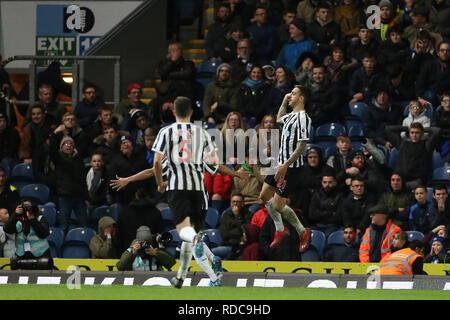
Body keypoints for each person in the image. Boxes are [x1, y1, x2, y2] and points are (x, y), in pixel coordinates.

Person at [152, 96, 223, 288]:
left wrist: (160, 183)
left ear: (174, 112)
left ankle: (196, 240)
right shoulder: (202, 132)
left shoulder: (166, 132)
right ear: (191, 112)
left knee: (185, 233)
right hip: (199, 191)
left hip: (178, 189)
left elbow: (157, 162)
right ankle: (181, 277)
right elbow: (214, 161)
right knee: (189, 239)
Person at [258, 86, 311, 253]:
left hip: (290, 168)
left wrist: (286, 165)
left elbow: (302, 146)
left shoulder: (303, 118)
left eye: (294, 94)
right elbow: (279, 117)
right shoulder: (290, 116)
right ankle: (280, 229)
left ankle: (303, 231)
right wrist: (283, 99)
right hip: (279, 164)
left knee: (278, 205)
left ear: (301, 98)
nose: (290, 96)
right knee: (264, 196)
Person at [49, 135, 88, 233]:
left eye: (71, 144)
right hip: (64, 197)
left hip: (79, 197)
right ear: (61, 147)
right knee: (63, 225)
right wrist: (54, 134)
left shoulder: (79, 160)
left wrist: (87, 198)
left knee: (84, 224)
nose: (69, 145)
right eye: (65, 143)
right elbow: (52, 151)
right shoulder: (59, 159)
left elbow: (83, 180)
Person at [385, 122, 441, 190]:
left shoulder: (426, 145)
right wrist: (407, 128)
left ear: (422, 134)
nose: (414, 135)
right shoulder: (402, 144)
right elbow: (388, 129)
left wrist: (424, 129)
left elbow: (437, 131)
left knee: (406, 187)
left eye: (417, 132)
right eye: (412, 132)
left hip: (416, 180)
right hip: (401, 179)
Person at [4, 199, 52, 270]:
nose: (27, 209)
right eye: (25, 207)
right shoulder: (17, 219)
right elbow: (7, 229)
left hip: (41, 254)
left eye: (29, 207)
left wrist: (32, 220)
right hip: (21, 254)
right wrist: (15, 214)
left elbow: (44, 233)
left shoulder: (40, 218)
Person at [106, 135, 150, 206]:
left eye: (128, 143)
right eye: (123, 143)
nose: (125, 145)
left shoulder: (141, 159)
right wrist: (113, 201)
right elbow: (112, 182)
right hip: (122, 198)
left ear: (132, 146)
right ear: (120, 147)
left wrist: (142, 191)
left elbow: (148, 177)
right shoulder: (115, 161)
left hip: (141, 196)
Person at [308, 171, 344, 237]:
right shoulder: (316, 195)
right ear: (321, 183)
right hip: (316, 225)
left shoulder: (339, 196)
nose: (327, 185)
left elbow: (339, 217)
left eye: (330, 182)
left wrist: (319, 213)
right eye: (325, 182)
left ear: (335, 183)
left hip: (332, 226)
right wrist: (330, 213)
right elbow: (311, 215)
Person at [415, 40, 450, 108]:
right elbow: (420, 82)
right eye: (442, 50)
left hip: (447, 96)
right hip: (432, 94)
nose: (445, 53)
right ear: (438, 52)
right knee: (431, 95)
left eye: (448, 50)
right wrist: (419, 98)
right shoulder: (429, 64)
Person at [218, 193, 253, 259]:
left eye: (238, 202)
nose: (235, 204)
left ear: (243, 203)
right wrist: (236, 235)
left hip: (239, 246)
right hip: (227, 244)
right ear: (230, 203)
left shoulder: (248, 215)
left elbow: (245, 232)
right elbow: (223, 234)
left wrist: (237, 216)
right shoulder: (226, 216)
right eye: (233, 201)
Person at [431, 93, 450, 157]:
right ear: (442, 103)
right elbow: (434, 128)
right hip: (440, 139)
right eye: (445, 101)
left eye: (449, 101)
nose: (448, 103)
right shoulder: (436, 114)